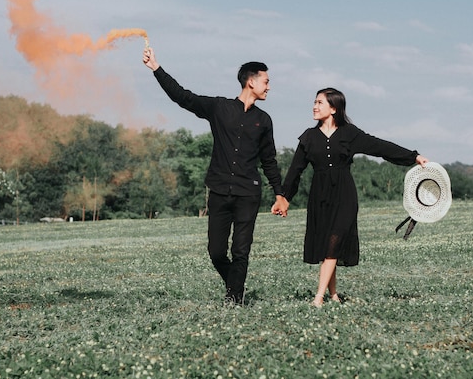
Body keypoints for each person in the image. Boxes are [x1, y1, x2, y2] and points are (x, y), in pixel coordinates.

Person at [143, 46, 289, 305]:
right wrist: (157, 69)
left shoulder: (264, 120)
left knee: (241, 250)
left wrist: (279, 194)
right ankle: (236, 285)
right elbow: (182, 97)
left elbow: (269, 161)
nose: (269, 87)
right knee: (216, 252)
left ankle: (234, 298)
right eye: (266, 81)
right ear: (251, 81)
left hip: (248, 193)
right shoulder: (219, 108)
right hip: (220, 191)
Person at [273, 88, 428, 308]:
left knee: (333, 243)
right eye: (314, 102)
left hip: (344, 195)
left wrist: (413, 156)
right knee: (328, 245)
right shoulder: (308, 137)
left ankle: (318, 298)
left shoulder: (349, 133)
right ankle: (334, 294)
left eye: (319, 103)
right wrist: (284, 197)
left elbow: (380, 146)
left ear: (333, 108)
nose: (314, 106)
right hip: (319, 196)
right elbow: (295, 170)